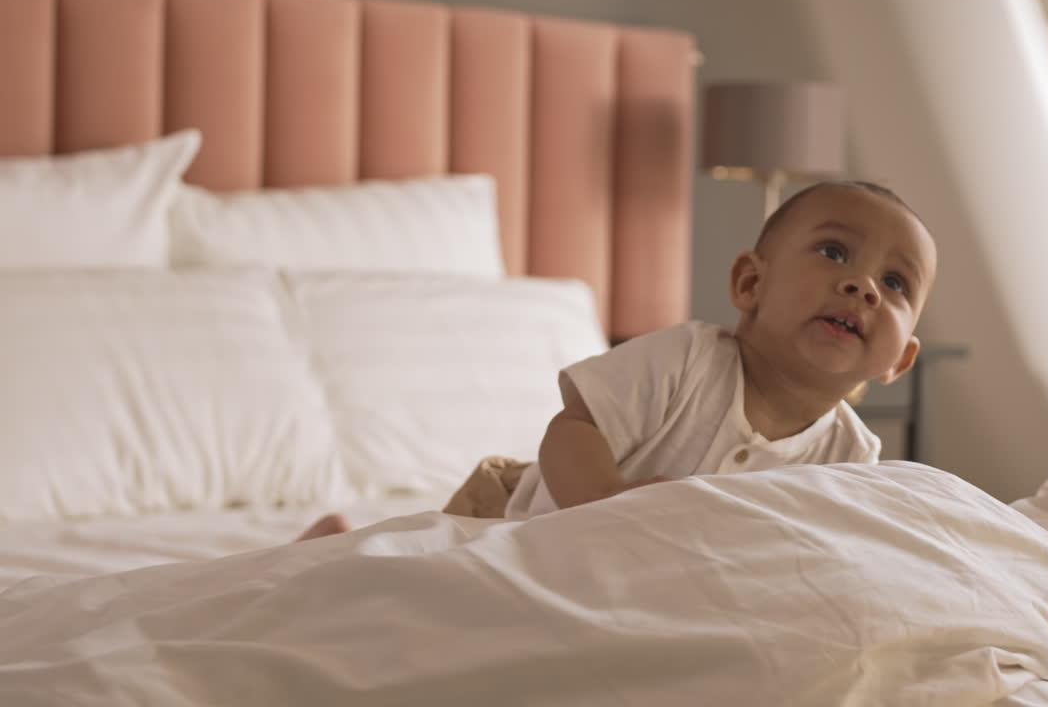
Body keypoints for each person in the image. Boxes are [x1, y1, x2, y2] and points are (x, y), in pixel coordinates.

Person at [298, 179, 937, 538]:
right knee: (404, 583)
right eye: (833, 253)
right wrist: (605, 498)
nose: (864, 286)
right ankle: (332, 546)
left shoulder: (853, 459)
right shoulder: (687, 361)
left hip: (663, 586)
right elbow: (573, 427)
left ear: (898, 360)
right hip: (517, 524)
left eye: (897, 282)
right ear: (750, 284)